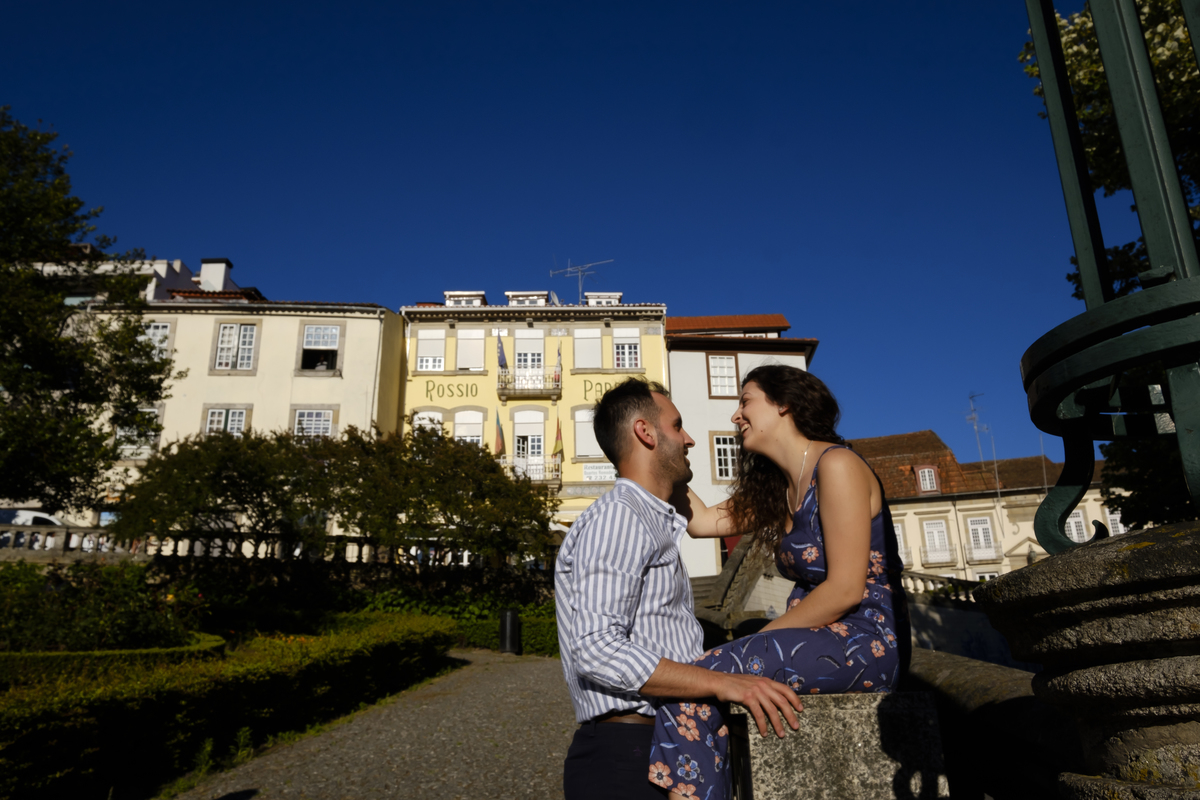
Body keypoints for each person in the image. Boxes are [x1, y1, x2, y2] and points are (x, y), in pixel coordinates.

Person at [648, 365, 911, 799]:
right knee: (696, 685)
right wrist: (666, 455)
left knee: (694, 681)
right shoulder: (778, 488)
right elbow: (703, 522)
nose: (736, 415)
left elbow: (846, 589)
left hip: (867, 640)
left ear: (785, 404)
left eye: (746, 400)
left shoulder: (837, 465)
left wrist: (758, 642)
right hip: (817, 635)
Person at [556, 379, 803, 800]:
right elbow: (595, 648)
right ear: (645, 432)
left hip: (661, 740)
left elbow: (714, 517)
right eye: (677, 426)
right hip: (629, 751)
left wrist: (801, 474)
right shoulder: (620, 517)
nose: (689, 439)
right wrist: (722, 683)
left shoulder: (650, 515)